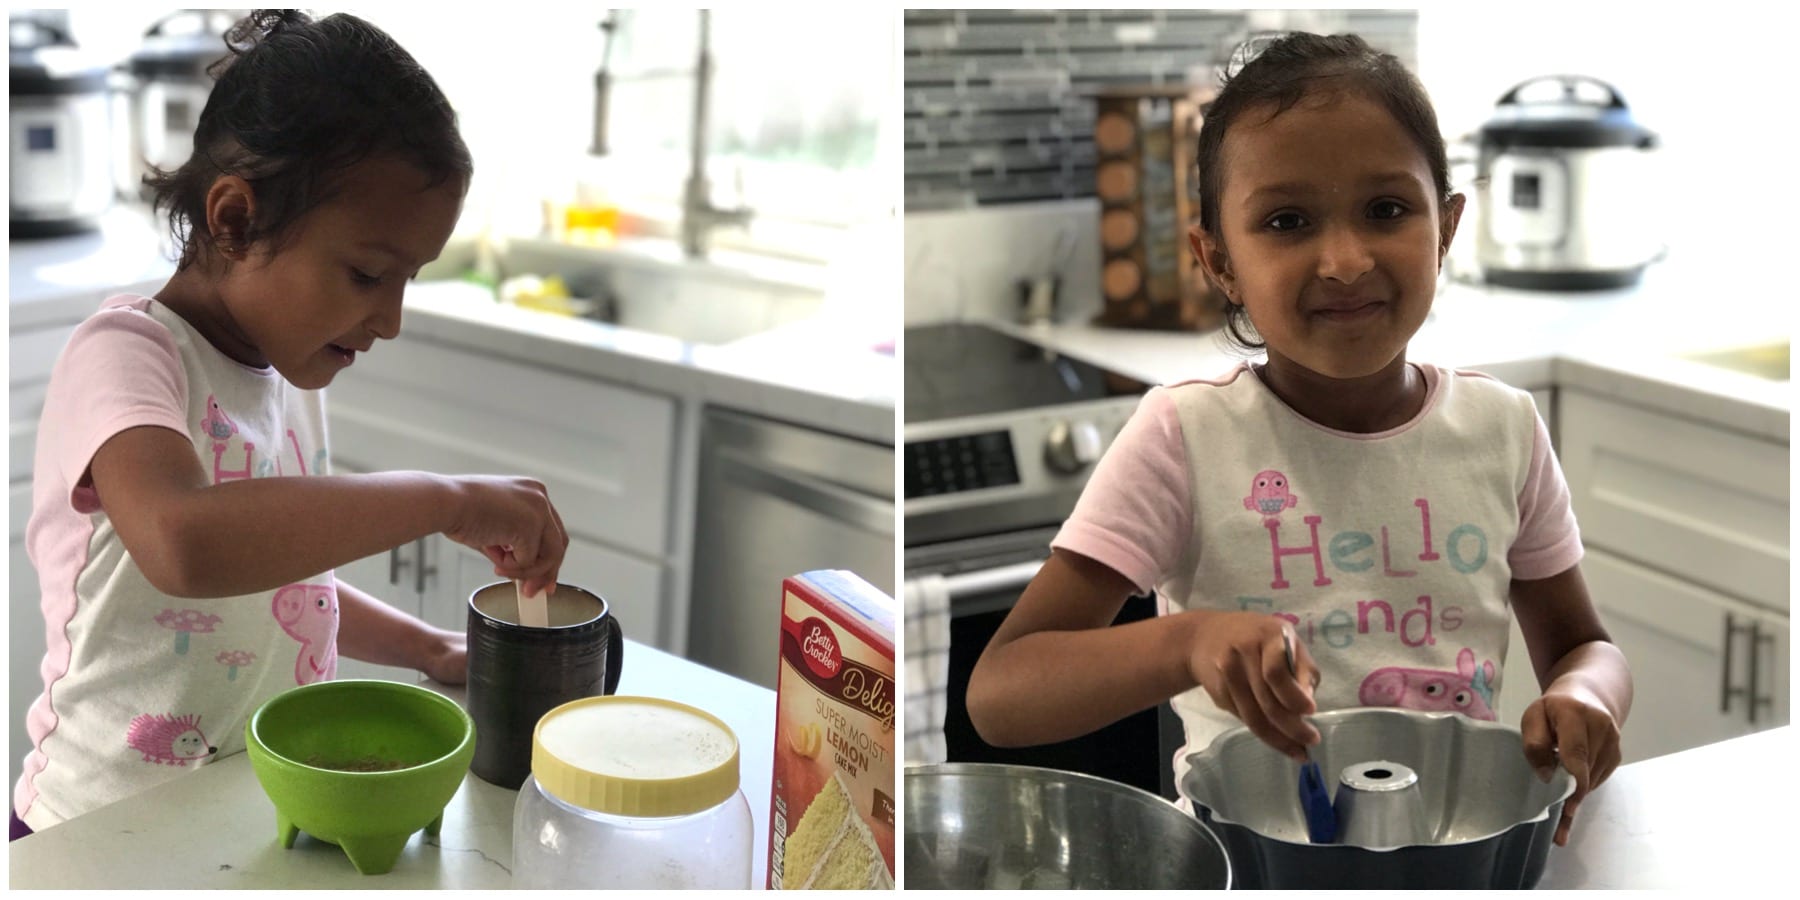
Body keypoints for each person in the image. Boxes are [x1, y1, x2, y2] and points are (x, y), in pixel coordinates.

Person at [965, 32, 1630, 848]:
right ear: (1219, 262)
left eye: (1386, 210)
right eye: (1287, 221)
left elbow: (1585, 647)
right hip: (1249, 866)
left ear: (1447, 227)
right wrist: (1187, 640)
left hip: (1448, 856)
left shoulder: (1504, 431)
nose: (1346, 261)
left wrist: (1589, 698)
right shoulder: (1186, 437)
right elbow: (1001, 695)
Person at [12, 9, 569, 839]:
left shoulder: (287, 370)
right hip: (92, 830)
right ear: (235, 221)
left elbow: (274, 588)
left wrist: (425, 647)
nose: (390, 319)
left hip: (242, 814)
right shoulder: (128, 357)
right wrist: (443, 499)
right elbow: (186, 546)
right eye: (367, 273)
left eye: (407, 280)